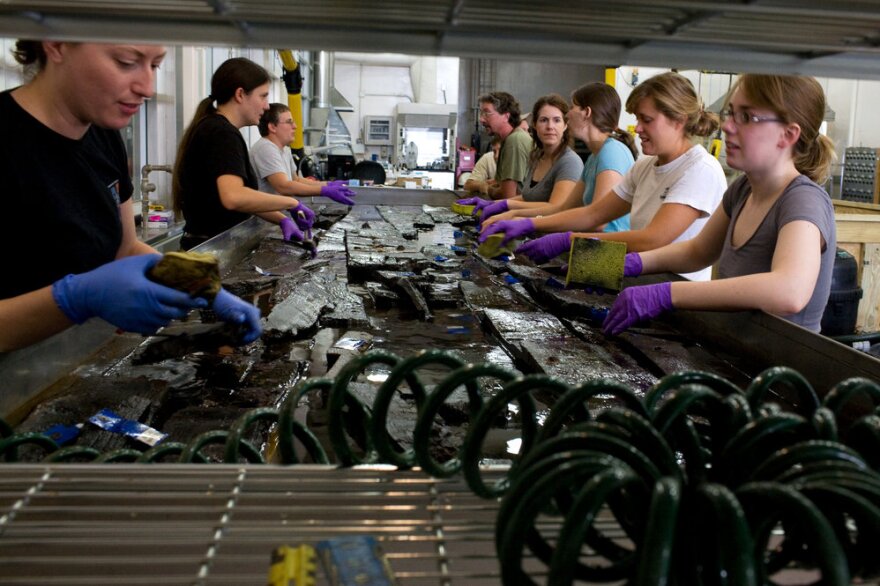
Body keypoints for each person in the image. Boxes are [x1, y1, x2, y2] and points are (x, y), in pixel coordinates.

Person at [0, 41, 261, 352]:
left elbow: (125, 248)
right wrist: (75, 298)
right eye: (126, 62)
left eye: (155, 65)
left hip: (67, 362)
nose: (147, 88)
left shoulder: (104, 134)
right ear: (57, 45)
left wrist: (203, 287)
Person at [603, 74, 837, 336]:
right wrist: (622, 262)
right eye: (731, 113)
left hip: (781, 368)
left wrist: (667, 293)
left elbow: (789, 291)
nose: (727, 126)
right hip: (737, 351)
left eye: (746, 117)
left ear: (788, 134)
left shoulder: (802, 199)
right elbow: (696, 252)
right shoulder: (742, 189)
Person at [482, 72, 727, 282]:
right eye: (638, 118)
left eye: (647, 120)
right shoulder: (644, 166)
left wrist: (570, 241)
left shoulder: (699, 170)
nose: (637, 128)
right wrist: (529, 223)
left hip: (674, 290)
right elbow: (594, 213)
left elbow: (653, 239)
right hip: (636, 273)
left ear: (679, 120)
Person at [173, 58, 355, 251]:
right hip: (209, 249)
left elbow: (245, 200)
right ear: (240, 94)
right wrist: (291, 203)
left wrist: (282, 219)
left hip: (213, 245)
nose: (267, 106)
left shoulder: (216, 128)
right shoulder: (222, 133)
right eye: (263, 96)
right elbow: (234, 197)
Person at [481, 82, 636, 232]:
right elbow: (562, 208)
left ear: (587, 113)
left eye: (572, 107)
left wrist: (530, 224)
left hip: (607, 254)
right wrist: (512, 214)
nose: (568, 114)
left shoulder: (611, 153)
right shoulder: (595, 157)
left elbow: (598, 222)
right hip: (592, 248)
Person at [460, 94, 583, 222]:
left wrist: (511, 211)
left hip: (552, 238)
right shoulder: (537, 157)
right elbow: (527, 197)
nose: (550, 126)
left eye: (557, 120)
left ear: (565, 125)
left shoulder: (569, 162)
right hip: (532, 235)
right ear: (534, 124)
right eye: (543, 120)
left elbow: (556, 207)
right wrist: (496, 204)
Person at [249, 103, 355, 241]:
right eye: (289, 122)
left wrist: (329, 184)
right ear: (272, 127)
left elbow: (296, 180)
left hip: (276, 218)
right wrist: (323, 190)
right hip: (263, 223)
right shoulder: (266, 148)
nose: (295, 126)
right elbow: (283, 186)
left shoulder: (284, 149)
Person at [476, 91, 533, 199]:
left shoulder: (514, 141)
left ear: (506, 116)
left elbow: (508, 198)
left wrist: (487, 188)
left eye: (487, 113)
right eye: (481, 113)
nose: (481, 119)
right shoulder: (509, 140)